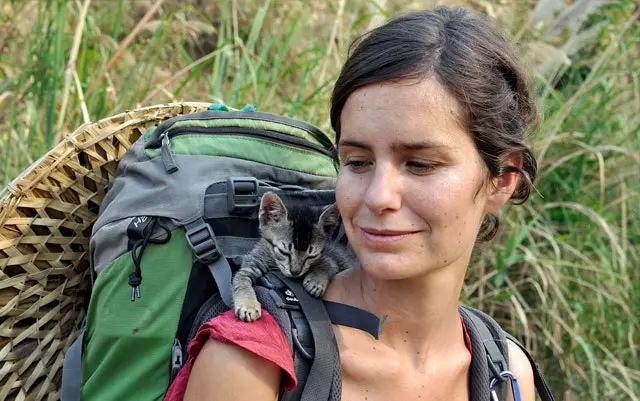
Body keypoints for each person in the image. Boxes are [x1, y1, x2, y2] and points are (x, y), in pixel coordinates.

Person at [168, 5, 541, 401]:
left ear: (501, 179)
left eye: (420, 164)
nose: (378, 196)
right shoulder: (251, 359)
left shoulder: (506, 373)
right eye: (357, 162)